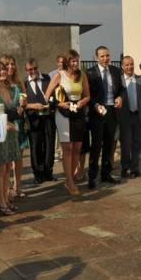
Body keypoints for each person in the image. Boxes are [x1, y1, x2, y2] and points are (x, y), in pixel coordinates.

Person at [44, 49, 90, 195]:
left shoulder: (82, 75)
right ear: (67, 62)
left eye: (77, 60)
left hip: (78, 112)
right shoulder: (59, 75)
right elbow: (46, 97)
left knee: (77, 147)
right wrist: (59, 104)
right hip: (63, 113)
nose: (76, 63)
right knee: (67, 148)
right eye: (73, 61)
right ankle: (69, 181)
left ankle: (70, 178)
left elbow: (88, 96)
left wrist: (83, 102)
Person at [0, 61, 25, 215]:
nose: (2, 72)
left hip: (12, 131)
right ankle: (1, 203)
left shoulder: (11, 88)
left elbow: (15, 110)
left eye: (3, 70)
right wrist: (5, 122)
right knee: (1, 169)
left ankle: (7, 199)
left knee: (8, 167)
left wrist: (21, 107)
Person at [86, 45, 125, 188]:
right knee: (96, 146)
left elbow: (121, 90)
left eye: (107, 55)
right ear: (96, 58)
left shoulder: (115, 71)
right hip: (97, 112)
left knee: (109, 146)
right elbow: (87, 95)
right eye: (102, 56)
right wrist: (95, 105)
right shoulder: (90, 73)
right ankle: (92, 177)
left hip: (111, 111)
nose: (105, 58)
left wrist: (120, 98)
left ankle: (106, 174)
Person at [118, 55, 141, 177]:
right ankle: (125, 168)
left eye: (131, 64)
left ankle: (135, 168)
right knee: (126, 144)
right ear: (122, 66)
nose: (129, 67)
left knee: (137, 144)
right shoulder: (119, 80)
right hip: (125, 117)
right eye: (127, 65)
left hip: (139, 117)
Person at [23, 58, 55, 183]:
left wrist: (50, 104)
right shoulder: (24, 84)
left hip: (48, 118)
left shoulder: (48, 79)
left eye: (35, 68)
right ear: (26, 71)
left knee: (49, 145)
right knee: (35, 147)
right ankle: (38, 175)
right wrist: (33, 106)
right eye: (30, 69)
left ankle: (48, 172)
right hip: (33, 119)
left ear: (38, 67)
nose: (33, 71)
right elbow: (22, 104)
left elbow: (56, 96)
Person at [1, 54, 28, 199]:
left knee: (18, 157)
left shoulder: (18, 82)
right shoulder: (0, 83)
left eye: (12, 64)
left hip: (19, 122)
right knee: (7, 158)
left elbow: (24, 100)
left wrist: (23, 105)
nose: (10, 67)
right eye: (7, 65)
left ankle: (18, 186)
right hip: (6, 123)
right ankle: (8, 187)